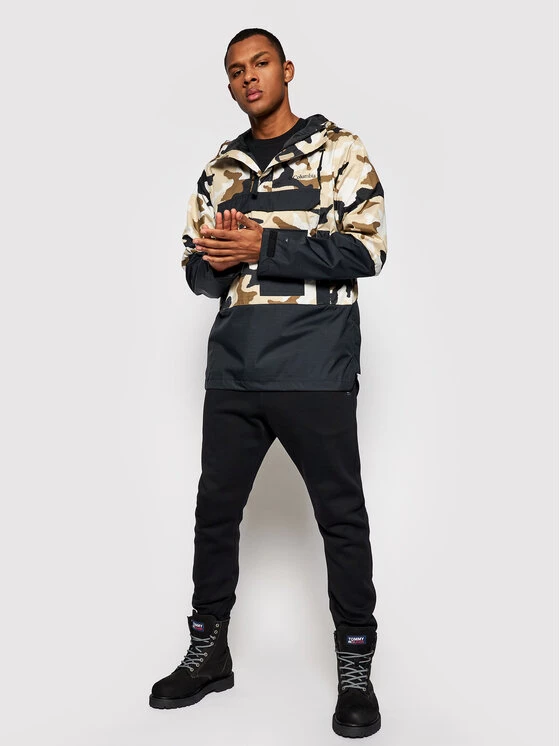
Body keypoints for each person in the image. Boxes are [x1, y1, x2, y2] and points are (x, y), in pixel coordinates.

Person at [149, 27, 388, 739]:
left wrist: (264, 243)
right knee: (214, 514)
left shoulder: (339, 150)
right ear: (229, 85)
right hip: (234, 370)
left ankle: (355, 668)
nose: (248, 77)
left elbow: (368, 251)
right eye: (235, 71)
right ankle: (209, 652)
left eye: (259, 64)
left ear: (286, 70)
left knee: (340, 519)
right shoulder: (219, 168)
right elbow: (197, 275)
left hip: (315, 369)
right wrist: (217, 260)